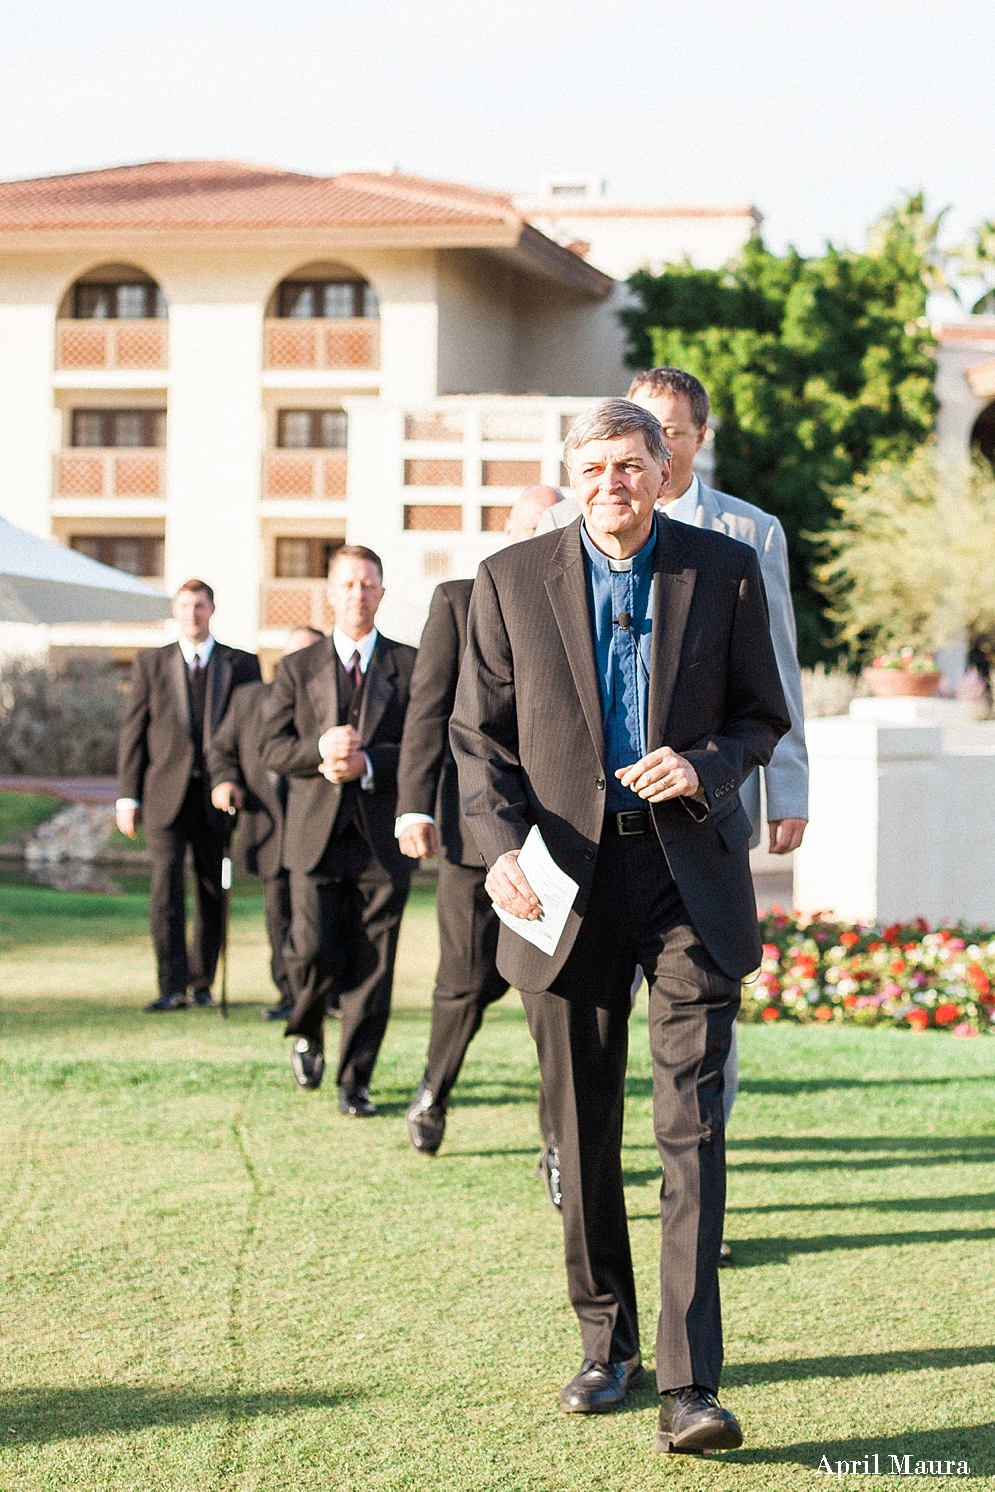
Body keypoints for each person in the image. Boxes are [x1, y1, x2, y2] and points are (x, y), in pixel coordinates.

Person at [450, 400, 789, 1453]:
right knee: (580, 1122)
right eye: (594, 466)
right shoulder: (507, 579)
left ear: (664, 465)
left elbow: (759, 713)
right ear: (572, 473)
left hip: (686, 871)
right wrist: (500, 847)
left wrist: (706, 764)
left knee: (688, 1126)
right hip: (563, 880)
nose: (614, 481)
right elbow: (477, 739)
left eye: (632, 463)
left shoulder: (720, 569)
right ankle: (608, 1344)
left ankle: (691, 1386)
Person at [538, 369, 807, 856]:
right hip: (582, 812)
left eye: (669, 431)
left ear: (699, 438)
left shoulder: (751, 532)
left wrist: (788, 792)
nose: (650, 440)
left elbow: (776, 672)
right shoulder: (559, 522)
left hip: (706, 802)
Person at [396, 487, 564, 1155]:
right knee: (463, 982)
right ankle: (434, 1089)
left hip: (556, 839)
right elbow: (428, 712)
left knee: (551, 1000)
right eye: (529, 527)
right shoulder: (457, 601)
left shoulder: (576, 604)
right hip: (470, 833)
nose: (537, 539)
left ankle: (557, 1145)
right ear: (506, 530)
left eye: (550, 529)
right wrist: (413, 803)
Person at [260, 546, 416, 1116]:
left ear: (381, 592)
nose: (358, 594)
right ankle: (306, 1030)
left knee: (374, 966)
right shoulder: (298, 668)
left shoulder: (411, 664)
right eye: (347, 584)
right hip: (314, 836)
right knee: (312, 952)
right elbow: (270, 748)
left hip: (382, 841)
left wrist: (370, 763)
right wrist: (319, 750)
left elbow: (429, 748)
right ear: (329, 592)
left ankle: (356, 1080)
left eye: (368, 584)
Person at [116, 579, 261, 1011]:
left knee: (212, 891)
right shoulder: (150, 664)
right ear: (175, 611)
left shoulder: (241, 665)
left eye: (199, 605)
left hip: (218, 797)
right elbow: (133, 733)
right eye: (184, 605)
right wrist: (128, 796)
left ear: (212, 609)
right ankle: (171, 986)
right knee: (165, 891)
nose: (192, 613)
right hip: (163, 796)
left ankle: (202, 983)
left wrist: (238, 781)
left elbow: (250, 734)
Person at [208, 626, 324, 1021]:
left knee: (320, 918)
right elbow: (222, 750)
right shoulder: (248, 699)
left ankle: (329, 996)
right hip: (268, 825)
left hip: (317, 828)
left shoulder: (333, 702)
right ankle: (289, 995)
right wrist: (225, 781)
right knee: (279, 917)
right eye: (294, 656)